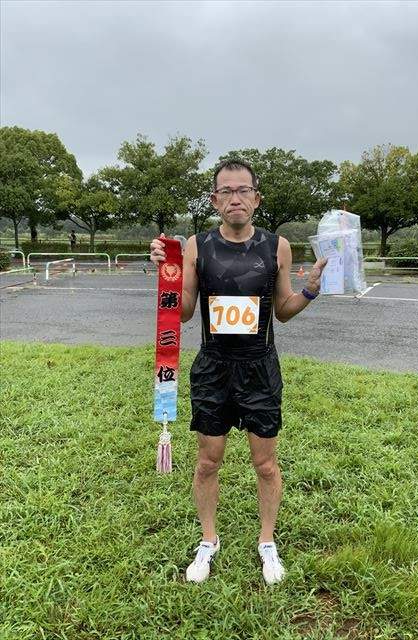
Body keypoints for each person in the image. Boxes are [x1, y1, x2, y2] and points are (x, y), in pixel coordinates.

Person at [150, 159, 327, 585]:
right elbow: (185, 312)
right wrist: (166, 274)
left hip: (260, 368)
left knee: (265, 465)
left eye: (243, 190)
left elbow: (282, 311)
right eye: (226, 191)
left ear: (256, 198)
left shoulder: (277, 246)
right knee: (207, 462)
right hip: (213, 368)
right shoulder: (197, 246)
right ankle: (208, 539)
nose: (235, 198)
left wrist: (309, 291)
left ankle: (267, 541)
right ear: (215, 200)